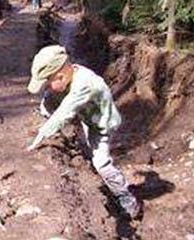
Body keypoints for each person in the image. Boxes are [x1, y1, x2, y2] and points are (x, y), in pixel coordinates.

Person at [26, 45, 141, 220]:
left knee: (101, 163)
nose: (46, 88)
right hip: (88, 117)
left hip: (102, 126)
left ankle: (126, 197)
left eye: (47, 83)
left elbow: (64, 112)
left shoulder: (84, 84)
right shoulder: (70, 74)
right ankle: (87, 153)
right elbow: (51, 98)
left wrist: (41, 135)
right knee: (52, 100)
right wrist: (44, 112)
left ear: (61, 76)